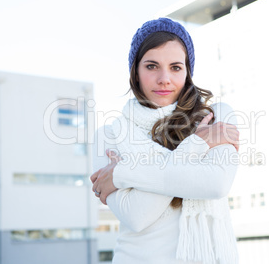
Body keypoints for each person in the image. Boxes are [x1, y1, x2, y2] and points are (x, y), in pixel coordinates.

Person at [91, 17, 240, 264]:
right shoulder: (109, 135)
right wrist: (195, 146)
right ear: (135, 72)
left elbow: (216, 184)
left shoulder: (216, 118)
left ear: (188, 71)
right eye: (151, 66)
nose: (164, 79)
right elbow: (138, 215)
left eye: (175, 67)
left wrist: (122, 173)